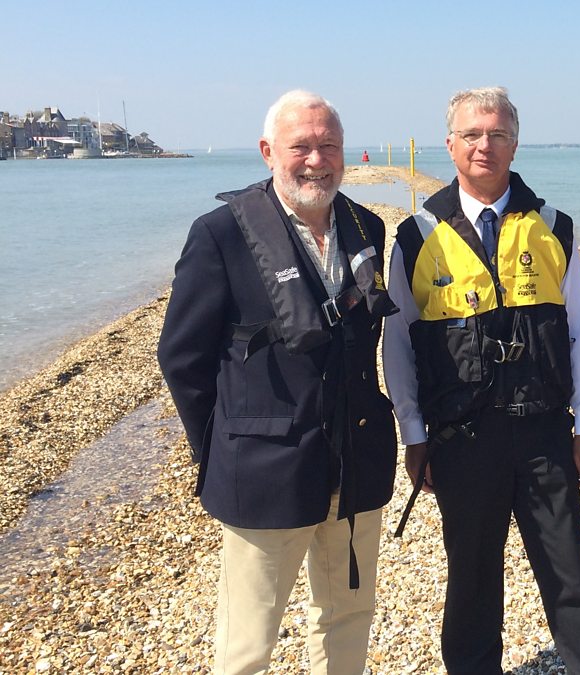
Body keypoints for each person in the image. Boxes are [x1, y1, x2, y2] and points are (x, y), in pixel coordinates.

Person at [382, 86, 580, 675]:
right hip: (461, 440)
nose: (483, 145)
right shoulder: (417, 236)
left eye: (497, 134)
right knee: (470, 580)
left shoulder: (553, 226)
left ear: (515, 144)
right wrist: (414, 435)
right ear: (450, 144)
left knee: (571, 574)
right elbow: (398, 347)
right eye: (471, 134)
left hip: (544, 435)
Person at [158, 90, 398, 674]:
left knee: (347, 616)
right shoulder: (220, 235)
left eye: (329, 146)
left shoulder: (366, 226)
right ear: (268, 152)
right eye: (301, 147)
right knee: (248, 640)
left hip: (355, 461)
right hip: (263, 469)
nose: (317, 160)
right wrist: (219, 446)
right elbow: (182, 357)